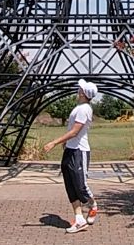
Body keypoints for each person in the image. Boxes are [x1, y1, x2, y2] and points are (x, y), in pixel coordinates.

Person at [43, 79, 99, 234]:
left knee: (80, 185)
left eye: (79, 88)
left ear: (83, 93)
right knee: (70, 184)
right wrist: (66, 143)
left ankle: (93, 205)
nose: (77, 90)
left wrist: (54, 142)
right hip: (71, 149)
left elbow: (75, 131)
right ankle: (79, 219)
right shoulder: (79, 107)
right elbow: (73, 131)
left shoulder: (84, 109)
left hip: (79, 151)